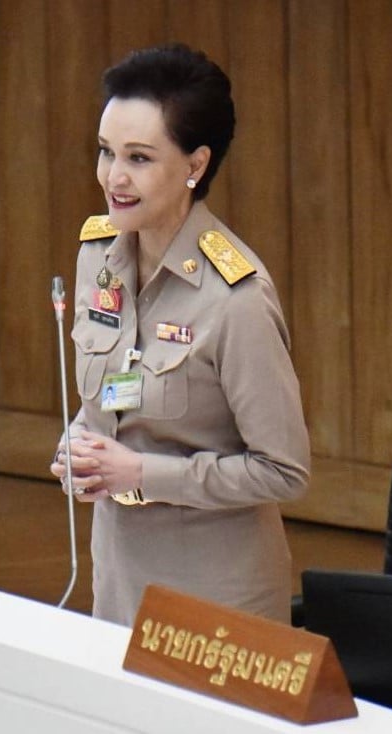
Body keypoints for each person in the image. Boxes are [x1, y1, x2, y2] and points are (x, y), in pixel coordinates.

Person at [50, 43, 310, 627]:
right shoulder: (98, 256)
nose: (114, 177)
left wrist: (140, 474)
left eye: (139, 158)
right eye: (106, 151)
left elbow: (283, 469)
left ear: (195, 165)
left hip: (216, 593)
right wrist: (80, 443)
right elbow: (114, 392)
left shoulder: (236, 298)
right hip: (118, 575)